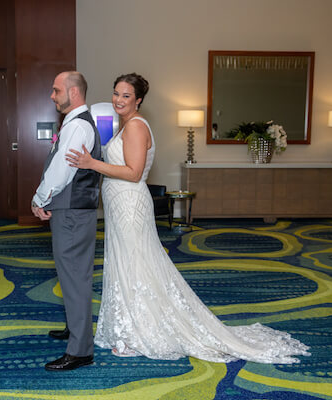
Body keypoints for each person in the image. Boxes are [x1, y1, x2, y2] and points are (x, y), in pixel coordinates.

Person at [66, 73, 310, 363]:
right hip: (120, 205)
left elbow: (133, 173)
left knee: (135, 264)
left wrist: (93, 163)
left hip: (130, 204)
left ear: (139, 100)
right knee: (128, 263)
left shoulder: (135, 127)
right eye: (116, 93)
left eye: (126, 95)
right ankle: (128, 327)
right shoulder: (126, 126)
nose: (118, 99)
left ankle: (138, 331)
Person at [31, 71, 102, 371]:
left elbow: (61, 171)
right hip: (73, 211)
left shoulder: (77, 128)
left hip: (72, 212)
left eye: (55, 90)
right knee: (71, 275)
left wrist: (39, 198)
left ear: (73, 93)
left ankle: (81, 349)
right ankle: (76, 329)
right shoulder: (75, 124)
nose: (52, 95)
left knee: (74, 277)